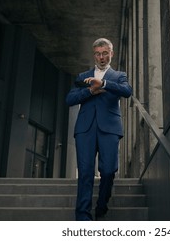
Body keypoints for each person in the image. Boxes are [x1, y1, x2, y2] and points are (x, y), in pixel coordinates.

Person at [66, 38, 132, 221]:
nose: (101, 57)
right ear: (94, 54)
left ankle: (101, 207)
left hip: (109, 129)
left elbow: (127, 91)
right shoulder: (82, 77)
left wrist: (103, 84)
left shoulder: (119, 76)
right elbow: (69, 100)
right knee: (85, 173)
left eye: (105, 53)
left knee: (109, 170)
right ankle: (83, 218)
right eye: (97, 53)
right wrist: (89, 91)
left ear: (111, 53)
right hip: (85, 129)